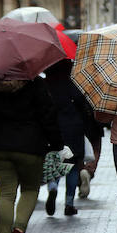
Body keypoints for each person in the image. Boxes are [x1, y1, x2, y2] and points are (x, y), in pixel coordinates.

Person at [0, 77, 64, 233]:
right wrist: (56, 142)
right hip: (30, 145)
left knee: (6, 194)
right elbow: (48, 115)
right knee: (30, 189)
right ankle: (18, 230)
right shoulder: (35, 83)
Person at [42, 59, 87, 216]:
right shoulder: (73, 82)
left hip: (53, 127)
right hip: (73, 126)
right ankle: (69, 203)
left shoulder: (45, 84)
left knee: (55, 160)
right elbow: (83, 103)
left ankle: (53, 185)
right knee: (73, 165)